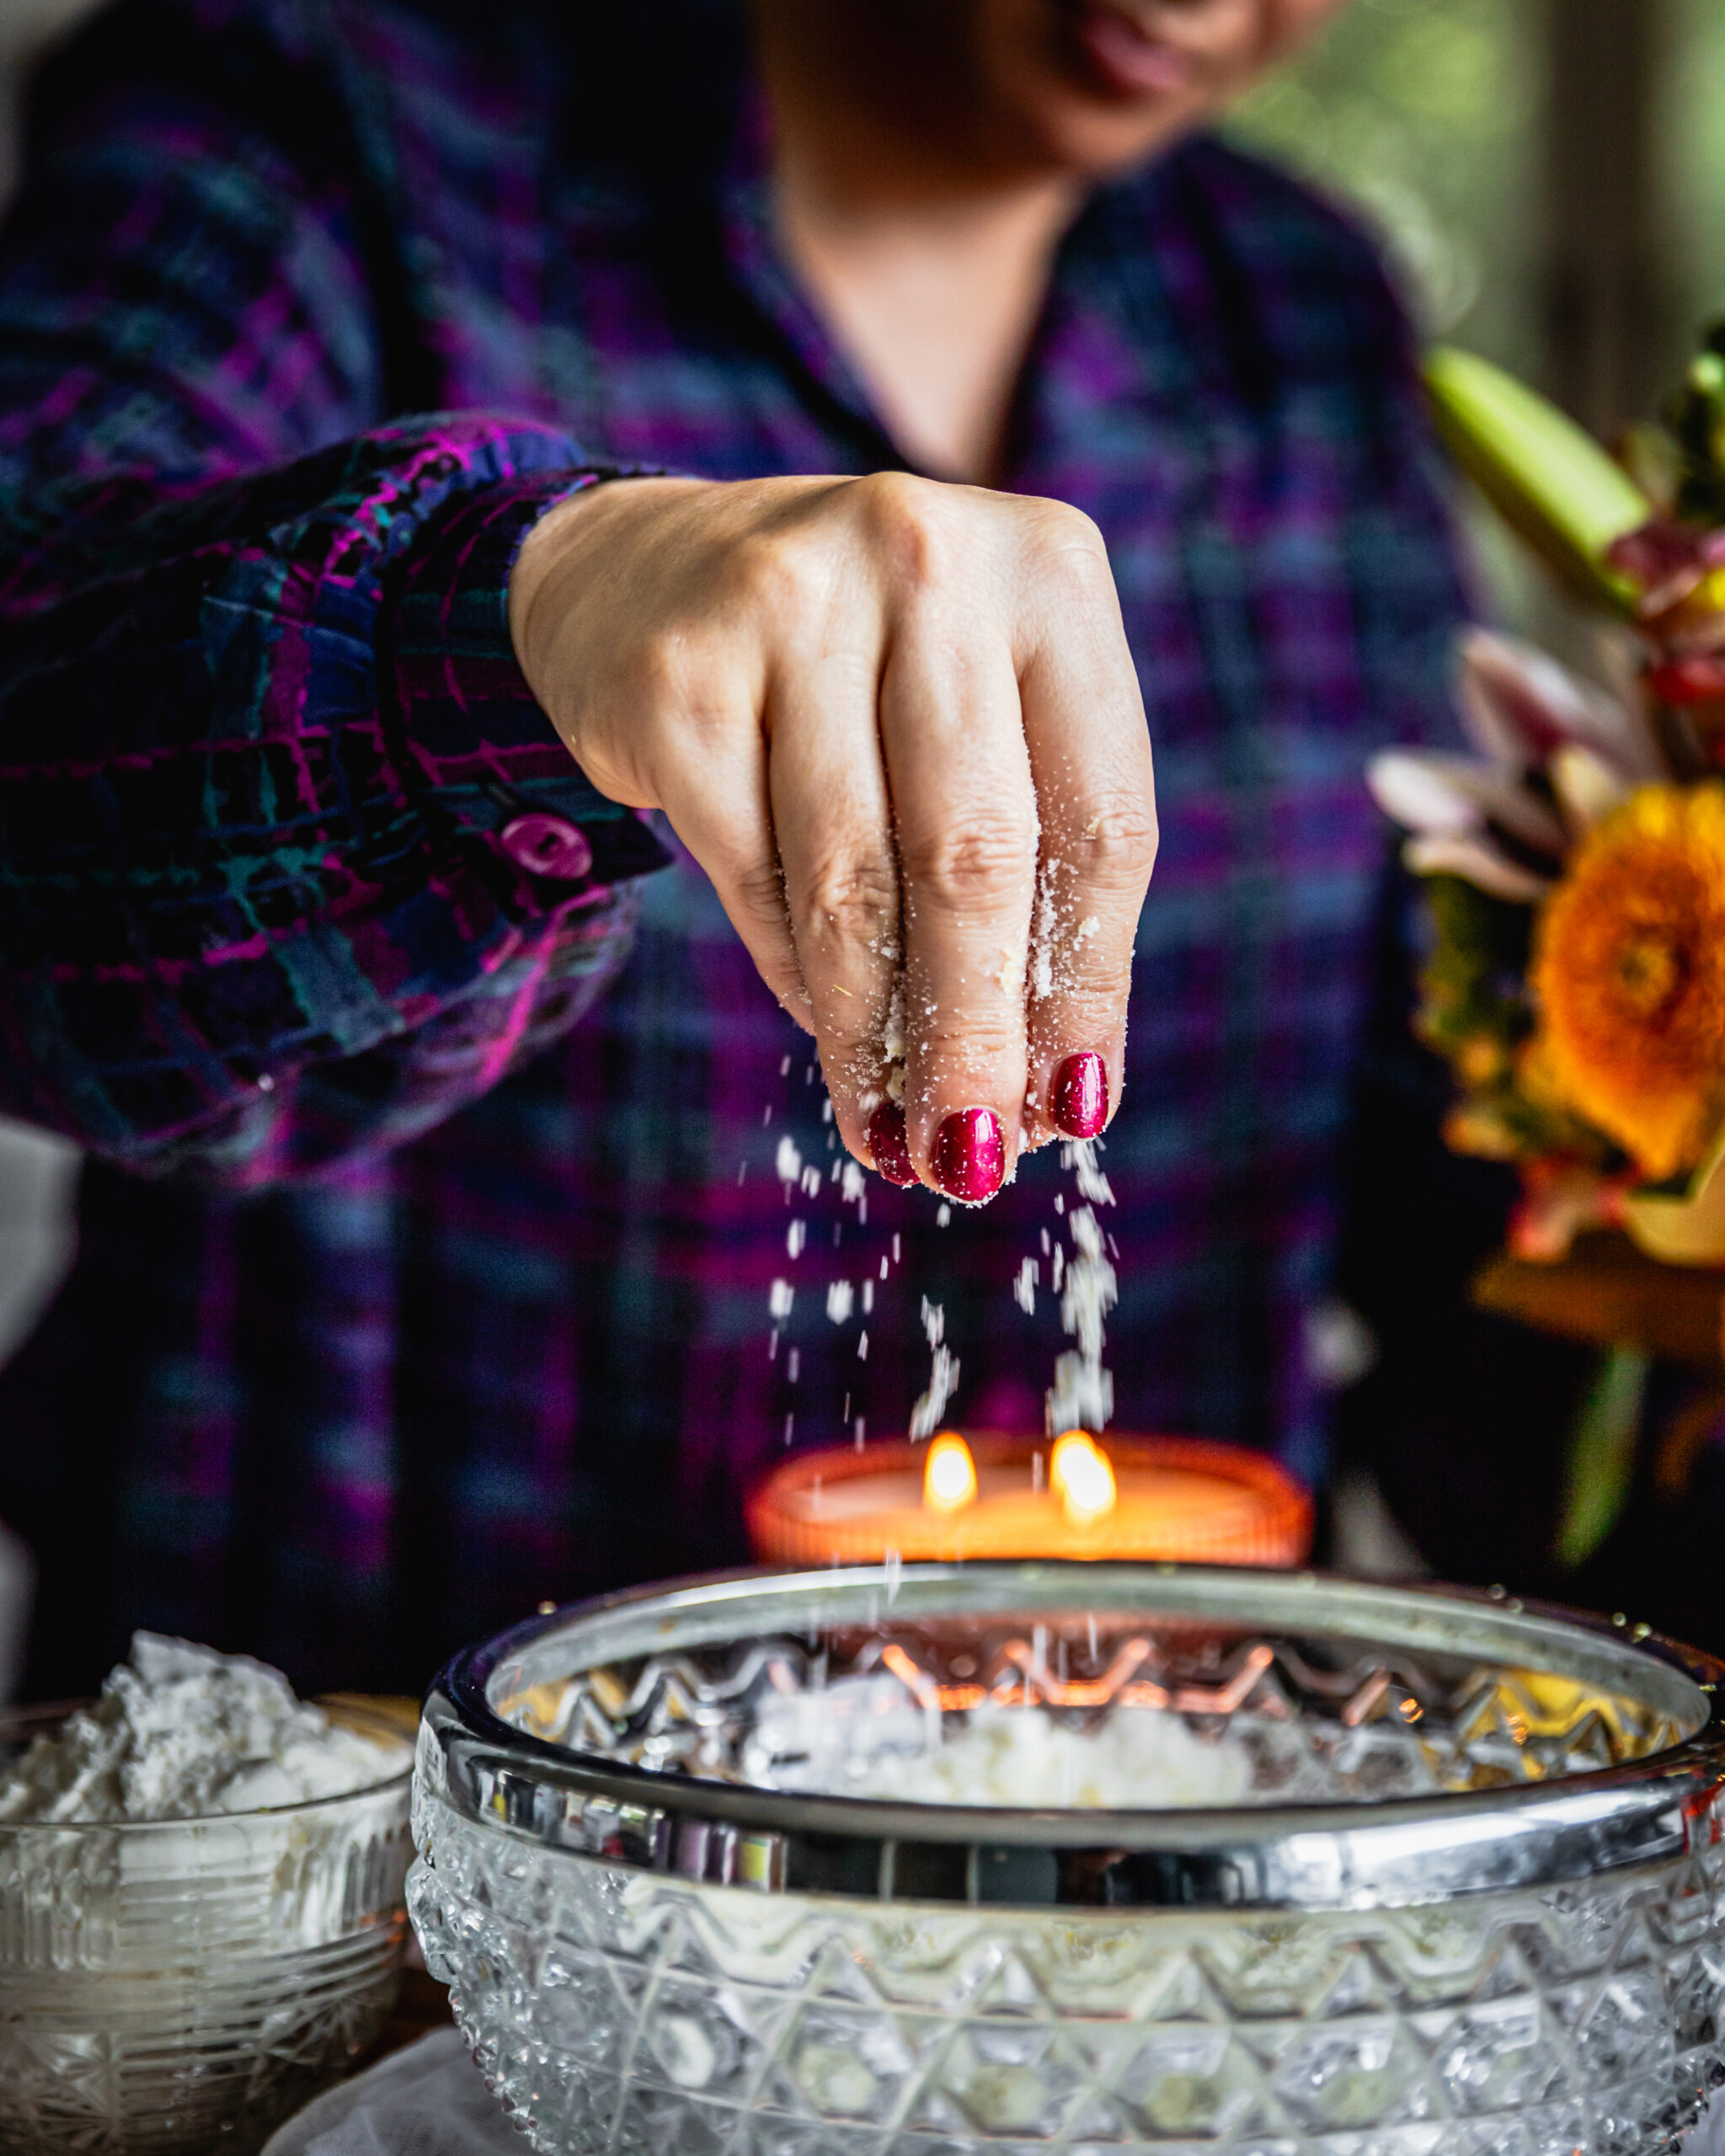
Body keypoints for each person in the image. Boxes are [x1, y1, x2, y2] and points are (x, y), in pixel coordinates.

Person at [0, 0, 1533, 1698]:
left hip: (1146, 1881)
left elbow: (1456, 1174)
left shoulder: (1298, 312)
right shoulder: (313, 125)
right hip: (367, 1856)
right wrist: (528, 613)